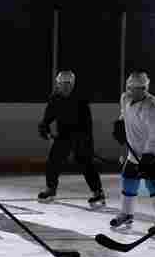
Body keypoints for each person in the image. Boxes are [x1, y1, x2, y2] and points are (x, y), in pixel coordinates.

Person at [109, 71, 155, 233]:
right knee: (128, 178)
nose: (134, 93)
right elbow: (125, 114)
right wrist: (119, 125)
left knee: (153, 184)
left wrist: (149, 156)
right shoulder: (125, 98)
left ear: (145, 89)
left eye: (140, 89)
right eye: (131, 89)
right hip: (136, 150)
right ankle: (127, 214)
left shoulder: (153, 107)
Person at [37, 70, 106, 207]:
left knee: (86, 162)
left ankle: (98, 192)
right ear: (58, 84)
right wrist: (44, 127)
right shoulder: (55, 98)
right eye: (62, 83)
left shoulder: (81, 99)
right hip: (63, 135)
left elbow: (88, 123)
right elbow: (48, 116)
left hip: (81, 135)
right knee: (53, 161)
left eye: (68, 84)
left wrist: (87, 143)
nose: (65, 86)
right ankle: (51, 189)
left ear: (73, 84)